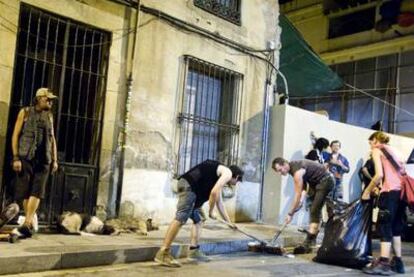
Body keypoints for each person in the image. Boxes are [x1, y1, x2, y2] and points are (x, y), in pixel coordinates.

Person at [154, 160, 244, 267]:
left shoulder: (220, 177)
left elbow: (219, 202)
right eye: (237, 182)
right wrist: (211, 212)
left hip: (191, 189)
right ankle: (163, 253)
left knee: (199, 219)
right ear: (237, 176)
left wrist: (229, 223)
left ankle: (193, 250)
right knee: (181, 218)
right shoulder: (228, 173)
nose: (235, 184)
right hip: (189, 187)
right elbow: (214, 193)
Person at [10, 87, 58, 238]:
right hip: (26, 157)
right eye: (48, 98)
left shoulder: (49, 116)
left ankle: (27, 223)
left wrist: (55, 160)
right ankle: (28, 224)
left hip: (44, 159)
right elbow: (15, 135)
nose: (50, 101)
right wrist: (16, 157)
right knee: (26, 192)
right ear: (39, 98)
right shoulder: (25, 112)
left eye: (51, 99)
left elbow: (52, 138)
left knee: (37, 191)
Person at [362, 131, 406, 275]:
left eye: (370, 142)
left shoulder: (377, 149)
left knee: (384, 226)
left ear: (375, 140)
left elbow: (379, 174)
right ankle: (398, 262)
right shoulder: (394, 151)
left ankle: (383, 263)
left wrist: (367, 191)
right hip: (401, 193)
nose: (370, 146)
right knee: (396, 227)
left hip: (389, 193)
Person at [272, 157, 334, 253]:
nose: (280, 173)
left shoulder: (297, 172)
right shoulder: (293, 167)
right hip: (316, 183)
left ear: (284, 164)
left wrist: (290, 213)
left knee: (314, 210)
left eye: (280, 170)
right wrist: (301, 200)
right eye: (278, 172)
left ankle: (308, 243)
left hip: (326, 181)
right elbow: (304, 185)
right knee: (313, 210)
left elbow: (297, 194)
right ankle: (312, 238)